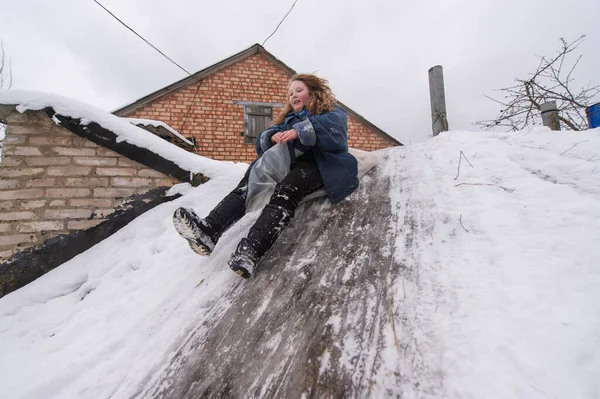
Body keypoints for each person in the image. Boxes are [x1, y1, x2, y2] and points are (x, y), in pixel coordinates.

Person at [172, 73, 358, 278]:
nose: (293, 96)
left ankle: (250, 251)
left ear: (313, 92)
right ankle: (209, 230)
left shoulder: (331, 112)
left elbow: (336, 130)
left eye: (299, 91)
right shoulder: (289, 119)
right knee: (251, 182)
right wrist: (272, 136)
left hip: (321, 163)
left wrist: (300, 130)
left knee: (287, 190)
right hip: (292, 164)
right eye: (290, 93)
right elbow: (266, 136)